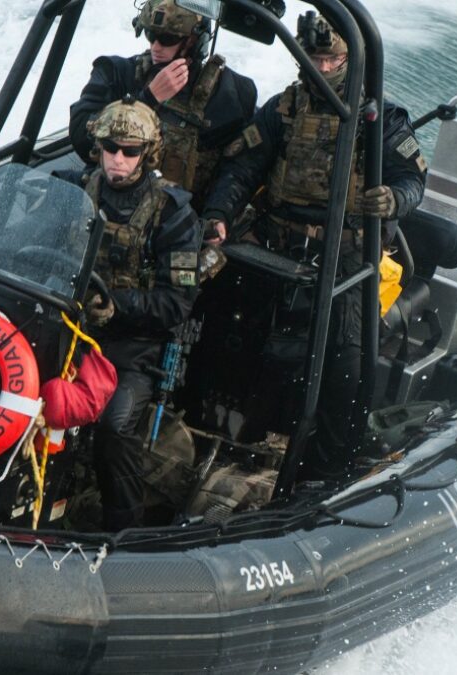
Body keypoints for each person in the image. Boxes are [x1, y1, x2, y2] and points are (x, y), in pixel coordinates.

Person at [200, 12, 427, 464]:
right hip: (276, 241)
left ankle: (328, 463)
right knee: (222, 326)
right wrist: (218, 216)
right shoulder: (283, 109)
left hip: (344, 253)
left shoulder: (381, 120)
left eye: (333, 59)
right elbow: (242, 169)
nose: (322, 69)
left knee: (345, 365)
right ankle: (210, 431)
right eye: (314, 59)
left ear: (350, 59)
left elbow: (414, 180)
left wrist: (393, 200)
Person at [77, 97, 202, 531]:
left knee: (114, 428)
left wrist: (117, 305)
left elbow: (178, 303)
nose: (118, 159)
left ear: (147, 155)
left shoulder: (175, 218)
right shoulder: (77, 191)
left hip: (132, 346)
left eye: (130, 151)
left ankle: (122, 529)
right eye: (111, 148)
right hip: (67, 325)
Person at [69, 0, 257, 212]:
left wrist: (218, 214)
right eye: (151, 35)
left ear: (195, 41)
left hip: (180, 220)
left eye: (168, 39)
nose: (156, 47)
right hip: (107, 207)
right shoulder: (118, 73)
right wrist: (146, 100)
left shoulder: (227, 94)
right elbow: (80, 136)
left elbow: (241, 167)